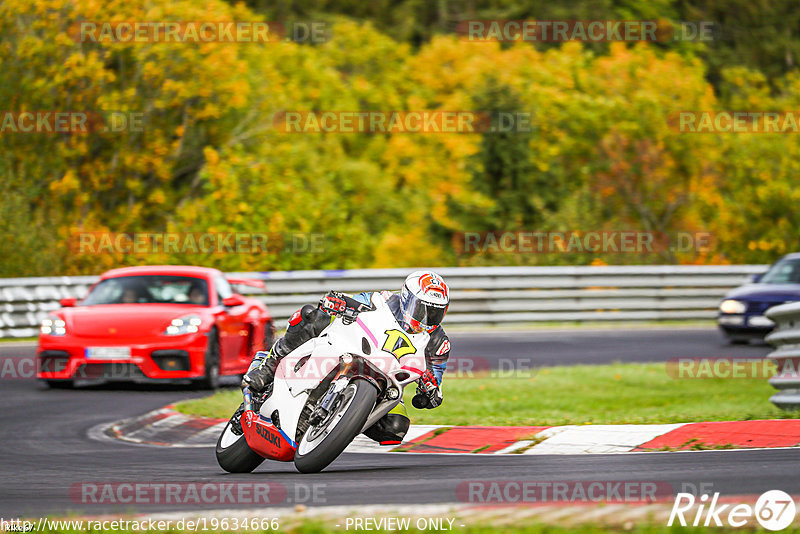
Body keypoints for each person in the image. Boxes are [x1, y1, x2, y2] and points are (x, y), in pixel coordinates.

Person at [242, 270, 451, 445]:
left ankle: (339, 426)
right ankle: (268, 367)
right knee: (312, 315)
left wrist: (430, 392)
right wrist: (339, 301)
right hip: (357, 351)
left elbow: (435, 380)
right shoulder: (385, 300)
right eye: (422, 309)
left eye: (435, 313)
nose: (427, 319)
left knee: (396, 427)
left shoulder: (438, 342)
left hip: (387, 381)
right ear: (407, 299)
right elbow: (356, 301)